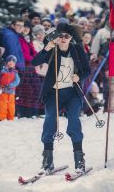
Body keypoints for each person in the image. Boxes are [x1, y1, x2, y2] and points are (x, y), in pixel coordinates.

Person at [32, 23, 91, 173]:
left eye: (67, 36)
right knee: (50, 121)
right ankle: (47, 160)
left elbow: (87, 70)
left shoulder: (77, 50)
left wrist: (79, 76)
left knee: (73, 122)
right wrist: (48, 47)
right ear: (57, 37)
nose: (63, 39)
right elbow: (34, 62)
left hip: (72, 93)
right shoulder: (52, 49)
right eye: (61, 36)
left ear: (71, 38)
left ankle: (79, 159)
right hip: (54, 93)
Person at [0, 55, 20, 121]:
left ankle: (10, 118)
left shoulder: (15, 72)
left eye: (13, 61)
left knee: (11, 106)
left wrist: (11, 85)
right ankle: (1, 118)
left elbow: (17, 81)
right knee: (2, 105)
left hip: (11, 92)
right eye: (9, 61)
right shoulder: (3, 70)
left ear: (15, 64)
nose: (11, 62)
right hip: (3, 91)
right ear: (7, 62)